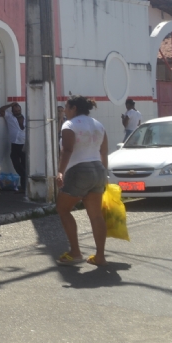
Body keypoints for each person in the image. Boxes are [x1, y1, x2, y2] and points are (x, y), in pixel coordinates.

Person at [55, 95, 110, 267]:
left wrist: (60, 172)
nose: (65, 110)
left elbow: (67, 150)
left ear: (74, 108)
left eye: (67, 107)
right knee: (96, 215)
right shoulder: (98, 125)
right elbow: (104, 152)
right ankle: (100, 256)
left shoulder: (69, 125)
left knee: (63, 209)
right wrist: (105, 175)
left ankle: (75, 252)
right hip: (98, 170)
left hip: (79, 171)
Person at [0, 102, 27, 191]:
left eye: (19, 110)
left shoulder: (26, 118)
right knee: (16, 162)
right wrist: (10, 105)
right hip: (15, 144)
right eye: (15, 111)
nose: (17, 112)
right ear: (12, 111)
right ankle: (24, 175)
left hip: (24, 144)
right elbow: (0, 110)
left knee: (24, 164)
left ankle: (24, 187)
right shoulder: (9, 117)